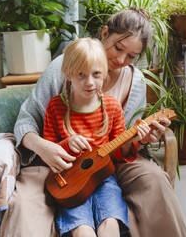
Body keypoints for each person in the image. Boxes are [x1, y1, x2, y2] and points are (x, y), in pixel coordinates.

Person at [0, 7, 186, 237]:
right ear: (104, 34)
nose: (121, 60)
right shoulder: (68, 64)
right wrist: (45, 147)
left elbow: (124, 142)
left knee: (155, 181)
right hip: (59, 163)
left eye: (131, 56)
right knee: (25, 205)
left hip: (111, 164)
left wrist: (141, 140)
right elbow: (26, 119)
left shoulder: (136, 82)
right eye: (118, 48)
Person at [43, 37, 150, 237]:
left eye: (96, 74)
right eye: (81, 74)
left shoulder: (112, 107)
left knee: (110, 226)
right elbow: (48, 150)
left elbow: (118, 155)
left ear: (104, 74)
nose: (90, 82)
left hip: (104, 179)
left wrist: (133, 140)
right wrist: (67, 144)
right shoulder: (56, 107)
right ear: (67, 74)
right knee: (82, 231)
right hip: (70, 181)